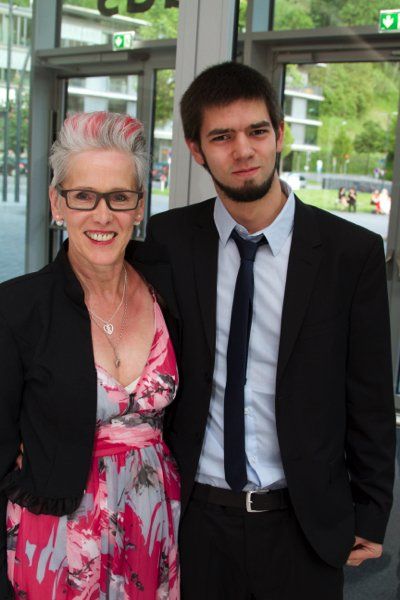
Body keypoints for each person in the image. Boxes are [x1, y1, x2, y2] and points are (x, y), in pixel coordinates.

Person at [133, 62, 396, 600]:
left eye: (256, 131)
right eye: (221, 137)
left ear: (280, 134)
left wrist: (371, 512)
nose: (243, 150)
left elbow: (369, 396)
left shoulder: (350, 254)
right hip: (195, 521)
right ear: (196, 149)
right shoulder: (169, 239)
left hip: (303, 525)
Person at [0, 112, 180, 599]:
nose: (103, 216)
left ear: (138, 207)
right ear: (57, 203)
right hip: (57, 538)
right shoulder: (17, 308)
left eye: (119, 197)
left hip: (154, 526)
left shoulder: (168, 289)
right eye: (83, 196)